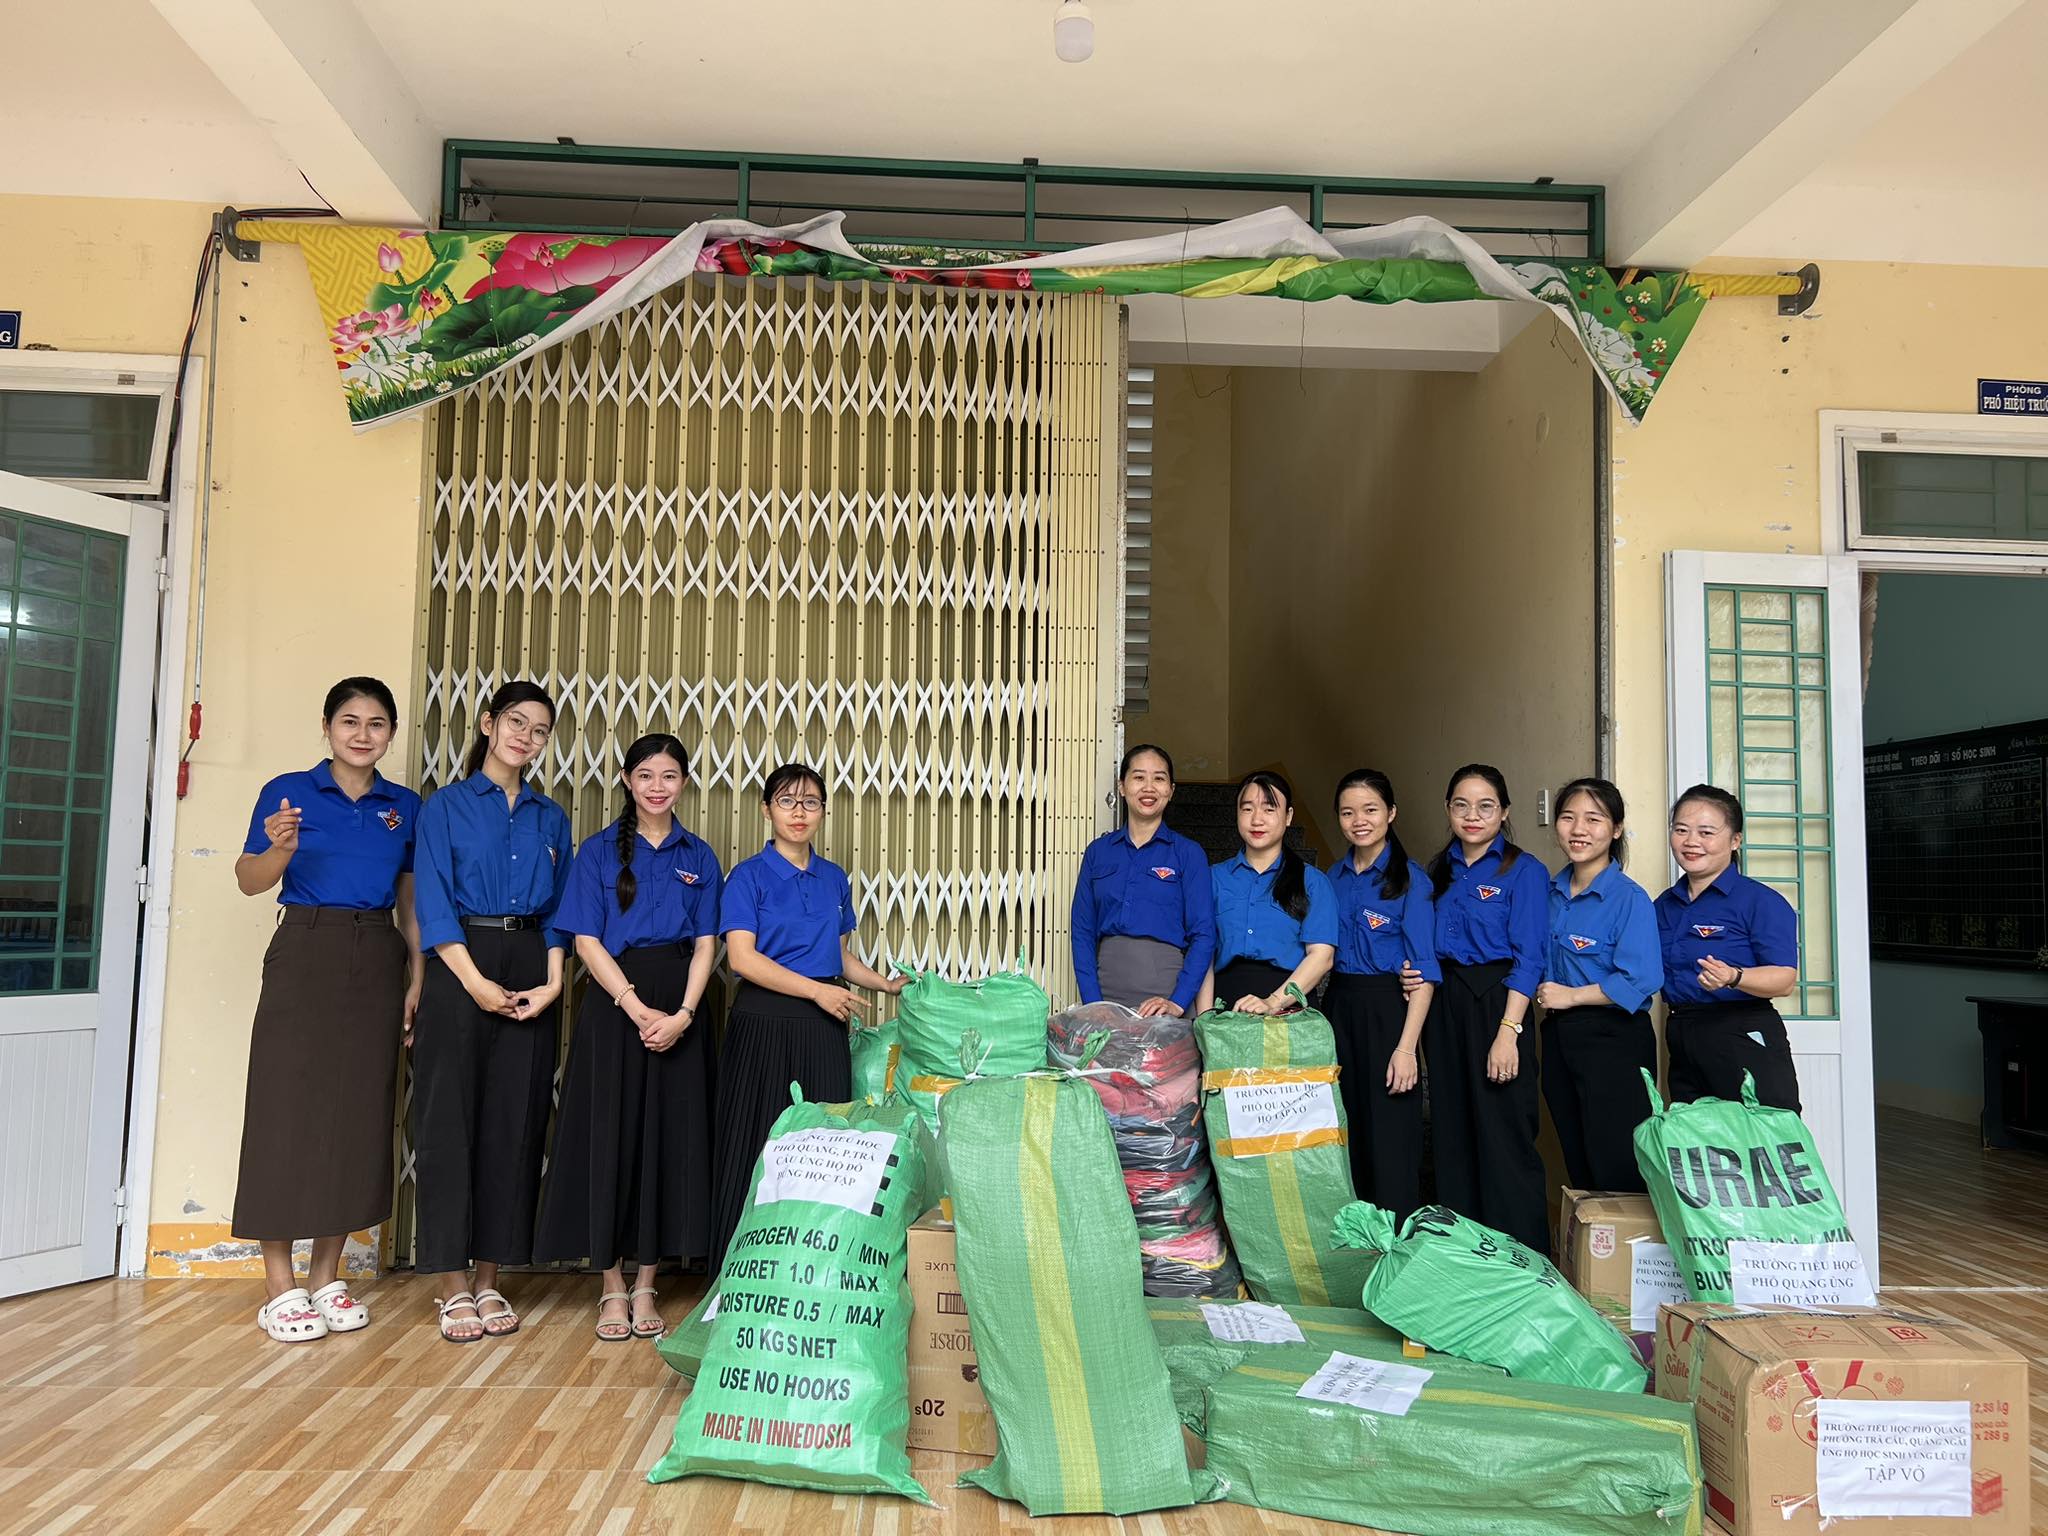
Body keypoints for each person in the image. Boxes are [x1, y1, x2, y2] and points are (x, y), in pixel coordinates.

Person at [231, 677, 423, 1344]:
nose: (362, 734)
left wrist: (418, 975)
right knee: (285, 1106)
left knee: (357, 1111)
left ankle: (325, 1275)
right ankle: (279, 1284)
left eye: (376, 723)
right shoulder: (288, 793)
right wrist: (280, 849)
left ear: (390, 733)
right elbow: (249, 880)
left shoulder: (404, 806)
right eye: (349, 721)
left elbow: (409, 901)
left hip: (377, 951)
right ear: (327, 726)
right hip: (305, 945)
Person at [535, 733, 721, 1342]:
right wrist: (637, 1008)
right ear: (626, 780)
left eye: (669, 776)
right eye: (645, 775)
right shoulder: (596, 852)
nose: (657, 787)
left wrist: (684, 1013)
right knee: (610, 1136)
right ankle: (611, 1284)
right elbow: (585, 940)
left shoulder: (700, 855)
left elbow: (707, 944)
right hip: (616, 1004)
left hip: (682, 1005)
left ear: (683, 783)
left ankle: (647, 1283)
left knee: (666, 1140)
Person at [410, 680, 572, 1344]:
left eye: (539, 730)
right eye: (515, 721)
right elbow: (432, 900)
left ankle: (488, 1278)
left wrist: (554, 981)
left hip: (531, 965)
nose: (525, 737)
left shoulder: (550, 817)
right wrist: (474, 981)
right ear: (487, 723)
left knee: (516, 1122)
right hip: (461, 963)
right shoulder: (444, 807)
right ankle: (452, 1285)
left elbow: (562, 910)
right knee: (448, 1121)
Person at [713, 763, 904, 1267]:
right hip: (762, 1023)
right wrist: (817, 992)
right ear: (766, 810)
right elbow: (742, 959)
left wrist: (886, 984)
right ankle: (737, 1270)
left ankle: (810, 1269)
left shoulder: (833, 878)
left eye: (810, 802)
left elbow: (838, 956)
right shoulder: (747, 877)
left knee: (822, 1151)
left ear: (823, 811)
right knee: (756, 1144)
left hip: (823, 1028)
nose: (799, 812)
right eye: (787, 801)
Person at [1420, 764, 1549, 1252]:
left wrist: (1508, 1031)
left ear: (1505, 812)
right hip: (1445, 1002)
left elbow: (1530, 956)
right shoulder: (1437, 871)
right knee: (1452, 1129)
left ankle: (1522, 1258)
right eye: (1461, 805)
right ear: (1448, 810)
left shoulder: (1524, 871)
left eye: (1485, 806)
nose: (1472, 815)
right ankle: (1464, 1254)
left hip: (1499, 1000)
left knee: (1503, 1132)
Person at [1534, 777, 1662, 1193]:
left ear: (1616, 829)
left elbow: (1641, 979)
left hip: (1614, 1040)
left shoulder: (1628, 898)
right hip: (1558, 1037)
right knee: (1578, 1158)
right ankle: (1593, 1236)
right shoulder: (1548, 894)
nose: (1579, 830)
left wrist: (1571, 996)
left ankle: (1622, 1237)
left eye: (1594, 819)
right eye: (1568, 818)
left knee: (1617, 1162)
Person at [1324, 768, 1436, 1221]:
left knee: (1391, 1133)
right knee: (1345, 1127)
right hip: (1338, 1006)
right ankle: (1356, 1238)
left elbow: (1424, 974)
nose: (1359, 821)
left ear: (1391, 813)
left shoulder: (1411, 880)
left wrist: (1407, 1050)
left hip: (1390, 1010)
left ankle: (1396, 1239)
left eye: (1370, 810)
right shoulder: (1331, 878)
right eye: (1348, 812)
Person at [1656, 784, 1802, 1110]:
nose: (1691, 841)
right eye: (1681, 830)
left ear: (1735, 840)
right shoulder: (1663, 905)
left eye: (1706, 832)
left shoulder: (1760, 901)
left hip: (1741, 1031)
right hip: (1682, 1032)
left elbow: (1784, 979)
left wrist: (1734, 977)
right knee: (1697, 1135)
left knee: (1763, 1133)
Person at [1071, 744, 1215, 1016]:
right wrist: (1093, 1003)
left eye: (1159, 779)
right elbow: (1082, 932)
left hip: (1166, 996)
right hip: (1105, 996)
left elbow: (1204, 934)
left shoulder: (1188, 853)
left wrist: (1178, 1002)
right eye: (1138, 777)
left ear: (1171, 790)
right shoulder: (1098, 853)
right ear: (1122, 786)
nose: (1149, 788)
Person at [1197, 770, 1336, 1014]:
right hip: (1226, 1006)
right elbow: (1202, 953)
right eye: (1247, 808)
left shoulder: (1313, 881)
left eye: (1269, 809)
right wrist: (1205, 1018)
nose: (1257, 819)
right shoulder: (1212, 878)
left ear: (1288, 816)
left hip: (1290, 1010)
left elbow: (1322, 956)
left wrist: (1273, 1001)